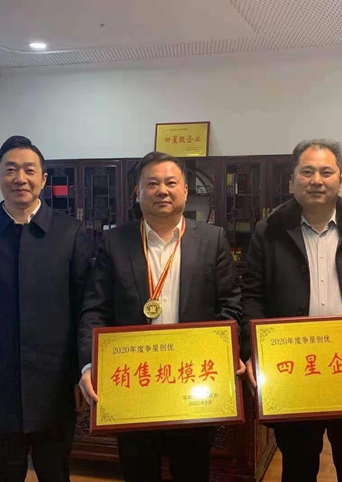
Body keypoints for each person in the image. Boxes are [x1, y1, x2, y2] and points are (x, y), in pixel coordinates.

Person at [240, 139, 342, 482]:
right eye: (307, 171)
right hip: (294, 369)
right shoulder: (268, 232)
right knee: (298, 466)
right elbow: (253, 296)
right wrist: (254, 349)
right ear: (292, 180)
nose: (317, 180)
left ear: (340, 180)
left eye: (326, 172)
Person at [78, 151, 244, 482]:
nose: (162, 190)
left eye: (171, 183)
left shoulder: (212, 239)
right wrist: (89, 364)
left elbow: (231, 304)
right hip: (134, 384)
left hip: (192, 381)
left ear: (185, 190)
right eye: (152, 184)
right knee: (138, 471)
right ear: (137, 192)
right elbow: (96, 308)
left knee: (192, 471)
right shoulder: (115, 241)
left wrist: (228, 351)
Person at [0, 135, 92, 481]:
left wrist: (83, 371)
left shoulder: (70, 233)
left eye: (29, 170)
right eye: (10, 170)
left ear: (43, 179)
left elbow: (84, 311)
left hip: (55, 386)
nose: (20, 178)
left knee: (55, 474)